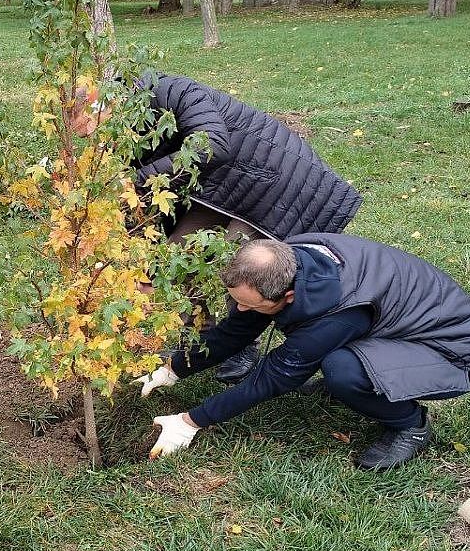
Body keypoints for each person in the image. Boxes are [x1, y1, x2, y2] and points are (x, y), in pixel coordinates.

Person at [71, 72, 362, 382]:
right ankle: (201, 339)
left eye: (94, 128)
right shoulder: (126, 129)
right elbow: (146, 191)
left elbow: (212, 145)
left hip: (278, 186)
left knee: (239, 266)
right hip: (221, 190)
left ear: (105, 103)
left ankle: (241, 345)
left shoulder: (171, 92)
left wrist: (133, 181)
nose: (95, 139)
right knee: (175, 259)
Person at [138, 235, 470, 471]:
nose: (241, 310)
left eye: (249, 304)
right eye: (237, 300)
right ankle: (371, 377)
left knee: (342, 369)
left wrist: (191, 421)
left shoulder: (339, 312)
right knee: (328, 359)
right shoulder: (287, 263)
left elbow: (273, 377)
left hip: (454, 351)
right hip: (398, 328)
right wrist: (172, 369)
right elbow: (235, 332)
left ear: (289, 297)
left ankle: (410, 425)